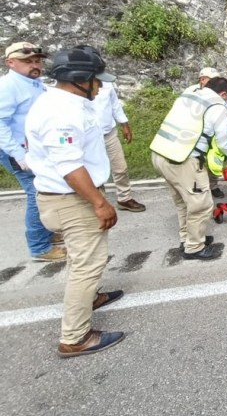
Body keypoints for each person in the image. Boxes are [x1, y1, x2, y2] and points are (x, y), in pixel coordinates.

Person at [25, 47, 125, 357]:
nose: (100, 86)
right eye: (97, 80)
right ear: (79, 79)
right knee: (87, 265)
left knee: (79, 258)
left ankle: (91, 297)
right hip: (73, 199)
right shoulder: (61, 113)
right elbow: (70, 166)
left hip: (68, 196)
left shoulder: (65, 103)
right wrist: (99, 202)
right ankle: (75, 337)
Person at [150, 77, 227, 260]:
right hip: (183, 159)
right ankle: (194, 247)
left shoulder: (187, 96)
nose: (226, 102)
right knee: (201, 204)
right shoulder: (217, 105)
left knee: (182, 201)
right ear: (224, 94)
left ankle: (187, 239)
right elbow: (224, 139)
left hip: (160, 153)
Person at [0, 41, 65, 262]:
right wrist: (17, 154)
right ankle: (39, 247)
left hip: (34, 149)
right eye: (27, 61)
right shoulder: (8, 86)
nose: (35, 65)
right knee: (37, 195)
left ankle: (46, 233)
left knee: (43, 190)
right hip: (18, 151)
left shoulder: (33, 82)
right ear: (11, 62)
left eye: (37, 61)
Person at [75, 46, 146, 213]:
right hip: (87, 137)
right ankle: (97, 201)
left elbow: (115, 105)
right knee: (91, 171)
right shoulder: (74, 89)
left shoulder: (105, 82)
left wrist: (125, 124)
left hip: (109, 133)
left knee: (120, 167)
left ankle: (124, 198)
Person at [183, 67, 225, 197]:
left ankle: (213, 185)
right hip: (193, 130)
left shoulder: (217, 93)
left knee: (214, 158)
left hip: (211, 130)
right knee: (194, 160)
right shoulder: (191, 92)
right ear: (202, 79)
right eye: (212, 80)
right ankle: (195, 185)